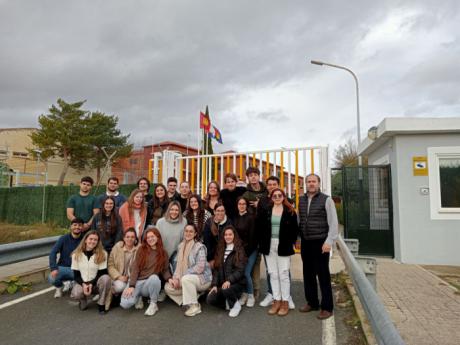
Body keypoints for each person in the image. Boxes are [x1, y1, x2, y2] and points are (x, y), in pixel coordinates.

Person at [298, 174, 338, 320]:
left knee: (323, 275)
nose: (311, 184)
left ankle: (327, 307)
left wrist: (329, 241)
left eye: (314, 181)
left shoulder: (327, 200)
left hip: (321, 242)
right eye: (308, 181)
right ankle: (312, 302)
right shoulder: (301, 200)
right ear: (305, 184)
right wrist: (298, 238)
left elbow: (334, 223)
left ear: (319, 183)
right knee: (308, 274)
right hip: (306, 242)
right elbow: (300, 220)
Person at [258, 188, 298, 316]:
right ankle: (277, 300)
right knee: (273, 273)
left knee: (284, 273)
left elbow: (295, 230)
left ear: (283, 197)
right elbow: (261, 227)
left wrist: (290, 242)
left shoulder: (290, 211)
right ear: (271, 197)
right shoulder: (266, 211)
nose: (277, 197)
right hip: (269, 245)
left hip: (283, 245)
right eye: (274, 196)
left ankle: (285, 301)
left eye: (279, 195)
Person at [120, 228, 171, 316]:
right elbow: (135, 268)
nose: (150, 239)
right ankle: (138, 296)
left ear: (157, 237)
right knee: (125, 304)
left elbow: (165, 270)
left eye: (152, 236)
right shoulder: (141, 250)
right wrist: (132, 285)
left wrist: (170, 279)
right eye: (148, 238)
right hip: (137, 282)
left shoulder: (163, 253)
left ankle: (153, 304)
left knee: (155, 278)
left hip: (149, 283)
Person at [164, 224, 212, 316]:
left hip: (202, 279)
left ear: (195, 234)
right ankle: (192, 296)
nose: (188, 233)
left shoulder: (199, 247)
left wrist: (183, 276)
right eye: (186, 231)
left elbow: (200, 267)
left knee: (186, 279)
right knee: (168, 287)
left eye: (191, 231)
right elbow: (177, 266)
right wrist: (175, 278)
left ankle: (195, 306)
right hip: (186, 279)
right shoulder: (180, 246)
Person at [206, 225, 247, 318]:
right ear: (223, 236)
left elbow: (240, 270)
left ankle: (235, 306)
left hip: (236, 284)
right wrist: (215, 285)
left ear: (234, 236)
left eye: (230, 234)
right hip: (223, 285)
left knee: (226, 289)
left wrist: (229, 280)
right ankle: (228, 304)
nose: (228, 237)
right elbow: (216, 269)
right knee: (210, 299)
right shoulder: (220, 249)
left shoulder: (239, 249)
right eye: (226, 235)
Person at [70, 230, 111, 314]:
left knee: (106, 279)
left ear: (98, 242)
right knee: (76, 293)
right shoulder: (76, 254)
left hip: (96, 284)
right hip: (83, 283)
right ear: (85, 240)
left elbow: (102, 273)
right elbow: (76, 275)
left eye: (95, 240)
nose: (92, 241)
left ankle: (101, 303)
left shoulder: (103, 254)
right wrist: (84, 284)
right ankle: (83, 300)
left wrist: (91, 284)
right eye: (90, 239)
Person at [48, 218, 84, 298]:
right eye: (75, 225)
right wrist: (54, 268)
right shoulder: (63, 238)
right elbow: (53, 253)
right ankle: (59, 287)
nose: (77, 227)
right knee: (52, 278)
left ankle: (74, 282)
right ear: (71, 227)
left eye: (79, 225)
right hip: (63, 267)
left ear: (82, 227)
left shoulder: (85, 239)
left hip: (77, 269)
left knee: (76, 295)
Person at [233, 197, 257, 307]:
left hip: (250, 250)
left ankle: (251, 295)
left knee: (247, 273)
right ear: (237, 205)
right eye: (239, 204)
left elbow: (253, 238)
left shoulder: (251, 218)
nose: (241, 206)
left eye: (243, 204)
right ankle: (244, 294)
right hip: (239, 251)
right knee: (241, 273)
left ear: (246, 205)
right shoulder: (235, 218)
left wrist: (245, 253)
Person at [107, 228, 138, 309]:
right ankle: (115, 295)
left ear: (135, 239)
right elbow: (110, 264)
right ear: (124, 238)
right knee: (119, 286)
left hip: (132, 279)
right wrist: (119, 276)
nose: (130, 239)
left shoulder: (139, 249)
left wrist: (132, 279)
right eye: (127, 237)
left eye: (132, 237)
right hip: (119, 277)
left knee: (128, 300)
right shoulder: (117, 247)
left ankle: (134, 296)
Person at [156, 201, 187, 267]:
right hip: (162, 255)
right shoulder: (160, 222)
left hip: (177, 256)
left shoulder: (184, 222)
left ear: (179, 211)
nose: (174, 212)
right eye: (172, 209)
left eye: (176, 210)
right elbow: (156, 240)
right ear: (168, 210)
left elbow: (184, 240)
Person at [203, 203, 232, 267]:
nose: (220, 213)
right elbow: (207, 242)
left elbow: (229, 242)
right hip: (211, 255)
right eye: (218, 211)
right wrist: (210, 259)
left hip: (224, 255)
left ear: (225, 212)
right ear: (214, 211)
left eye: (222, 211)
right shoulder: (209, 222)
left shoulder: (229, 223)